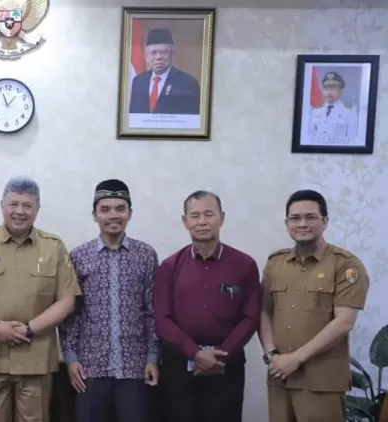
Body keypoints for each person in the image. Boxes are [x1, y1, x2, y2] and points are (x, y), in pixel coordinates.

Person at [0, 176, 81, 422]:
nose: (19, 211)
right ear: (2, 205)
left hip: (35, 358)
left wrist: (29, 329)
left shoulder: (53, 247)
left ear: (37, 209)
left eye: (27, 205)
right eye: (13, 204)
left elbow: (67, 300)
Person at [259, 189, 369, 422]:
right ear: (287, 223)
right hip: (280, 377)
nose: (302, 224)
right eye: (295, 218)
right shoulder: (275, 263)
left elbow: (344, 323)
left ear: (325, 221)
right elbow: (264, 311)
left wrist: (296, 359)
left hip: (321, 382)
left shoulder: (346, 265)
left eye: (310, 217)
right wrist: (271, 354)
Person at [154, 190, 260, 422]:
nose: (202, 221)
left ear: (222, 218)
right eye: (195, 216)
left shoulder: (245, 265)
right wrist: (195, 353)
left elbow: (251, 317)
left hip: (227, 366)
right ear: (185, 222)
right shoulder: (169, 266)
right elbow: (162, 317)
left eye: (209, 214)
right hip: (179, 366)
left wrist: (220, 356)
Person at [59, 179, 160, 422]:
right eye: (105, 209)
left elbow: (152, 311)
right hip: (90, 367)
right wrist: (71, 358)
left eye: (119, 208)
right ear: (94, 215)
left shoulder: (145, 255)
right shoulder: (79, 256)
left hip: (134, 367)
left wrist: (152, 358)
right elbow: (72, 313)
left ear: (130, 213)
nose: (113, 215)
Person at [129, 28, 201, 115]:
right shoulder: (138, 81)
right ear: (146, 55)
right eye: (153, 53)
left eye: (163, 52)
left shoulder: (188, 83)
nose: (158, 57)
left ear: (172, 54)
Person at [309, 71, 359, 138]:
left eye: (333, 89)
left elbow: (352, 138)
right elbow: (311, 137)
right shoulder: (316, 111)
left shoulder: (349, 111)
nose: (329, 93)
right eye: (326, 89)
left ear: (340, 91)